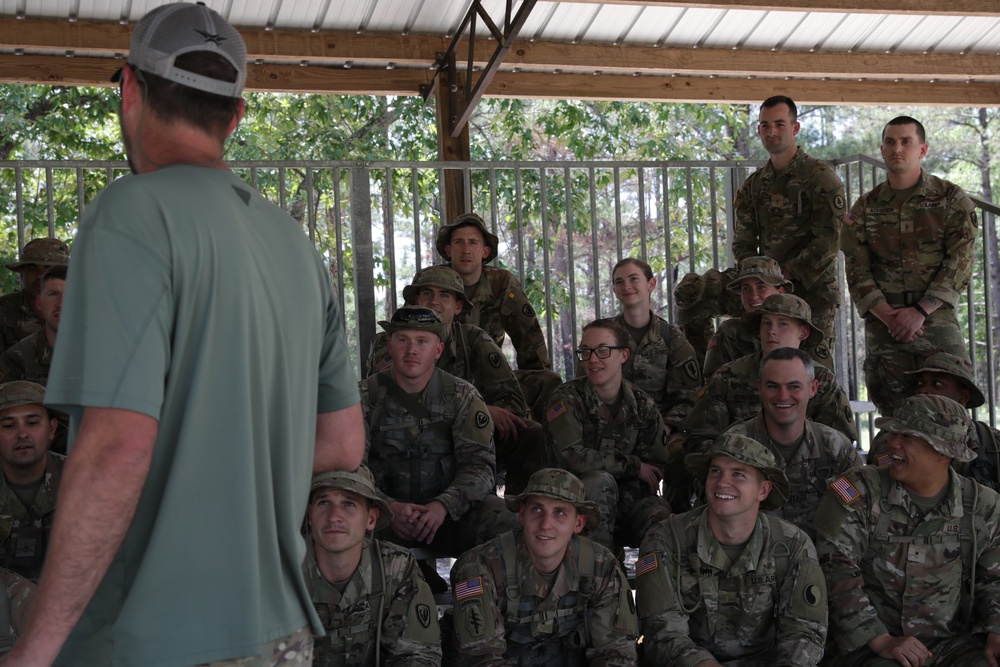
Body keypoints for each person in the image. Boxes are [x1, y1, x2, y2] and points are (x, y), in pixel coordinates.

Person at [6, 4, 366, 665]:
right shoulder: (294, 245)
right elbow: (343, 440)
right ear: (235, 116)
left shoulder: (130, 214)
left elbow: (116, 449)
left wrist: (34, 650)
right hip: (279, 632)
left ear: (131, 91)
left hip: (155, 635)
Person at [816, 394, 1000, 666]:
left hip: (949, 643)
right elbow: (834, 570)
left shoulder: (982, 506)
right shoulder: (860, 492)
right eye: (892, 432)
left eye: (909, 437)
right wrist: (880, 639)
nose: (892, 442)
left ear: (943, 452)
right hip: (871, 645)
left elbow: (995, 579)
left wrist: (996, 630)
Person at [636, 434, 828, 666]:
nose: (722, 482)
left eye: (738, 474)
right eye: (715, 471)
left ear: (763, 490)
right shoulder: (665, 539)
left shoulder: (792, 545)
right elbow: (662, 631)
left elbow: (804, 633)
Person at [841, 116, 977, 416]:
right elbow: (856, 267)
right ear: (881, 148)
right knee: (894, 417)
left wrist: (919, 312)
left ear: (922, 149)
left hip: (936, 323)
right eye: (890, 141)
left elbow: (960, 260)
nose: (897, 148)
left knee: (949, 415)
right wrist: (888, 316)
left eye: (906, 141)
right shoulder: (864, 207)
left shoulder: (951, 200)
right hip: (884, 327)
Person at [365, 265, 543, 493]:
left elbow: (512, 401)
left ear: (458, 306)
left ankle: (520, 511)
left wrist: (480, 416)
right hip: (404, 439)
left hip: (466, 437)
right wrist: (474, 410)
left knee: (529, 433)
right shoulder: (391, 341)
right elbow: (393, 400)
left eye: (444, 295)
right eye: (427, 293)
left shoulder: (474, 339)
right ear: (416, 300)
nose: (435, 301)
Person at [361, 306, 514, 556]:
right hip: (382, 516)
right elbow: (351, 467)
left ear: (438, 350)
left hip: (451, 516)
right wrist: (389, 507)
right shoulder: (364, 398)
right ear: (390, 345)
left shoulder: (463, 396)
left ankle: (480, 587)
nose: (411, 350)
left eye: (422, 341)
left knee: (509, 521)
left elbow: (480, 467)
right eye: (403, 340)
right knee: (337, 517)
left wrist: (443, 505)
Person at [450, 467, 639, 666]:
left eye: (560, 513)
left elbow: (616, 654)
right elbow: (481, 661)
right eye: (537, 509)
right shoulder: (482, 567)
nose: (546, 524)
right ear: (522, 514)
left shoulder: (601, 567)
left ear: (578, 523)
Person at [733, 95, 846, 369]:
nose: (771, 132)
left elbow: (831, 240)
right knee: (771, 367)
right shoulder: (755, 185)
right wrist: (759, 280)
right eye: (764, 125)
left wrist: (784, 275)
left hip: (814, 293)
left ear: (795, 128)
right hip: (770, 295)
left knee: (815, 372)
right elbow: (743, 241)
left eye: (779, 124)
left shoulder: (819, 177)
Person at [545, 318, 672, 551]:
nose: (592, 359)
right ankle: (601, 573)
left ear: (623, 355)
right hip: (575, 502)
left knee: (660, 517)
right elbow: (572, 458)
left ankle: (654, 581)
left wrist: (621, 499)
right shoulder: (566, 400)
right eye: (585, 351)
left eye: (603, 350)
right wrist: (632, 466)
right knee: (598, 481)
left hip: (628, 501)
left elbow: (653, 468)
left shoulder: (644, 406)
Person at [420, 212, 563, 417]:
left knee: (548, 382)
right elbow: (407, 333)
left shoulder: (501, 284)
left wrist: (538, 375)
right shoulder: (431, 283)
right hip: (442, 380)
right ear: (448, 250)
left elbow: (529, 338)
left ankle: (543, 444)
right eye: (459, 243)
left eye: (473, 243)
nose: (466, 250)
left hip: (490, 378)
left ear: (485, 251)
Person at [683, 294, 857, 456]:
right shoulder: (728, 377)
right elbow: (699, 438)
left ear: (803, 332)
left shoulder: (822, 380)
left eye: (782, 324)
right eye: (766, 323)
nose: (771, 331)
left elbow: (840, 445)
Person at [303, 466, 441, 667]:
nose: (334, 516)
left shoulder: (396, 568)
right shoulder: (281, 570)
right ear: (309, 515)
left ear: (371, 519)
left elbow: (417, 656)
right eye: (324, 503)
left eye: (349, 504)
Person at [722, 347, 861, 540]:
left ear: (812, 388)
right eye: (772, 386)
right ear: (759, 388)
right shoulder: (734, 446)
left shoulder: (836, 448)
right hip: (755, 562)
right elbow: (719, 519)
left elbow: (859, 517)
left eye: (794, 386)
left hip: (822, 560)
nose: (783, 396)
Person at [866, 352, 1000, 492]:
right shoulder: (888, 440)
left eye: (937, 384)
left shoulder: (992, 442)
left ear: (963, 397)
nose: (924, 389)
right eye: (920, 383)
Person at [610, 258, 701, 435]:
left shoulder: (671, 337)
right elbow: (585, 387)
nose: (626, 286)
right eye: (619, 282)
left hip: (659, 430)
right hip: (612, 430)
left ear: (651, 284)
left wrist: (666, 427)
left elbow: (691, 393)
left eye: (634, 279)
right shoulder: (604, 336)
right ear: (614, 290)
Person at [0, 382, 62, 583]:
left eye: (32, 422)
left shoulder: (84, 481)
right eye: (9, 426)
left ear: (52, 429)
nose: (22, 434)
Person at [703, 256, 792, 379]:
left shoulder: (800, 328)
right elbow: (713, 384)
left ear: (781, 291)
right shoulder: (730, 331)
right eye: (746, 289)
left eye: (761, 287)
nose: (753, 296)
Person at [0, 238, 69, 353]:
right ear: (22, 274)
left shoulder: (83, 310)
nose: (41, 276)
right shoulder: (4, 309)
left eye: (49, 270)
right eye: (33, 270)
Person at [0, 265, 65, 386]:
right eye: (54, 294)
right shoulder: (16, 358)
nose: (61, 304)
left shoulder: (105, 353)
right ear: (39, 303)